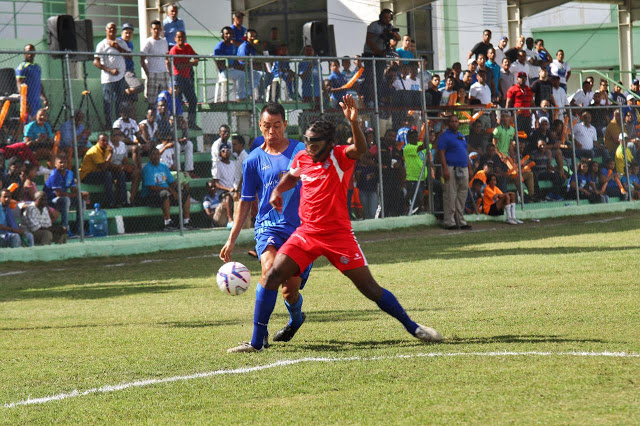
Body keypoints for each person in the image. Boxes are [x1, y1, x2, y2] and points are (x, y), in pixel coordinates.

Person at [225, 95, 442, 353]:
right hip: (305, 234)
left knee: (370, 289)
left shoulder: (340, 157)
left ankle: (413, 327)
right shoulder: (303, 159)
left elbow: (359, 149)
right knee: (271, 276)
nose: (308, 146)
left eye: (313, 142)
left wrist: (354, 123)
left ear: (328, 144)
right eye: (305, 141)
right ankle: (257, 342)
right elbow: (291, 178)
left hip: (338, 236)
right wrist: (276, 192)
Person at [220, 102, 312, 350]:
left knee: (289, 291)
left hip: (300, 231)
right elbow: (246, 203)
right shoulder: (252, 160)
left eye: (277, 125)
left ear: (285, 125)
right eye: (267, 126)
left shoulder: (301, 151)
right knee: (269, 271)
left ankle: (296, 318)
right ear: (260, 126)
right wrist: (232, 238)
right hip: (267, 227)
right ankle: (258, 339)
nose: (272, 131)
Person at [140, 147, 192, 230]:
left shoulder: (163, 166)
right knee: (165, 193)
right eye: (154, 154)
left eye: (158, 154)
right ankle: (167, 223)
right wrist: (170, 190)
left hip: (166, 192)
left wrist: (177, 188)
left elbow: (171, 182)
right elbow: (151, 187)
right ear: (149, 157)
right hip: (150, 196)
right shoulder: (147, 168)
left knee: (185, 194)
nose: (156, 156)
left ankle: (186, 222)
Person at [438, 115, 471, 230]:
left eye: (456, 121)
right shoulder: (444, 136)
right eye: (452, 121)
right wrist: (445, 168)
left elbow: (465, 151)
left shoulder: (461, 136)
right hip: (451, 168)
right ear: (448, 123)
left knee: (462, 195)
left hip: (463, 167)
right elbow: (441, 152)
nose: (454, 123)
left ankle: (460, 220)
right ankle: (449, 221)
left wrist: (469, 166)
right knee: (450, 195)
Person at [94, 22, 130, 127]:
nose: (111, 31)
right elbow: (96, 62)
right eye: (109, 29)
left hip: (120, 77)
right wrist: (109, 70)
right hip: (108, 79)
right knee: (108, 103)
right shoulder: (101, 44)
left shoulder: (121, 42)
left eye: (114, 29)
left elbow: (129, 56)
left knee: (120, 103)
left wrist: (117, 47)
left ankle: (119, 125)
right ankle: (109, 126)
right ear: (106, 30)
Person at [362, 9, 400, 103]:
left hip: (381, 55)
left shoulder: (390, 26)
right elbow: (369, 41)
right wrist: (377, 51)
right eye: (385, 17)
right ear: (381, 17)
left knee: (379, 78)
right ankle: (367, 99)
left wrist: (392, 33)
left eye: (389, 18)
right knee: (370, 78)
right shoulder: (374, 26)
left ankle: (377, 100)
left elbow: (398, 37)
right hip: (370, 54)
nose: (387, 20)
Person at [80, 133, 127, 208]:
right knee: (107, 174)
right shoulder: (94, 151)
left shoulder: (106, 150)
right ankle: (110, 203)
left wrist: (118, 168)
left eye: (106, 141)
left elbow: (108, 165)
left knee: (120, 173)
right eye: (103, 140)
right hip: (87, 176)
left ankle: (123, 201)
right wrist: (110, 154)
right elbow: (104, 167)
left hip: (99, 173)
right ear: (98, 141)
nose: (105, 142)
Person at [44, 154, 89, 233]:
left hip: (63, 198)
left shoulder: (70, 173)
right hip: (51, 200)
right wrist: (77, 195)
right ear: (55, 164)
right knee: (66, 199)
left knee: (81, 200)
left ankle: (80, 228)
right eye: (60, 162)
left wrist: (81, 195)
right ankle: (65, 228)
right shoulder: (54, 174)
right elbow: (59, 194)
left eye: (65, 162)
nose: (62, 164)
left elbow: (73, 190)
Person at [169, 30, 200, 130]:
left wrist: (196, 59)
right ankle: (177, 123)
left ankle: (191, 122)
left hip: (186, 78)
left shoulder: (187, 46)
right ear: (175, 39)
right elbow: (178, 66)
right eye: (178, 37)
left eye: (182, 37)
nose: (180, 39)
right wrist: (191, 63)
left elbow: (195, 55)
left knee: (193, 100)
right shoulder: (174, 50)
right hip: (177, 78)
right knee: (177, 100)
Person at [15, 44, 48, 121]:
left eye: (32, 51)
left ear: (35, 53)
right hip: (28, 101)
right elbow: (20, 85)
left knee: (38, 122)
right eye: (28, 51)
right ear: (24, 53)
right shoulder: (22, 67)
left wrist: (44, 98)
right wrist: (25, 102)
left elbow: (39, 83)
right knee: (28, 123)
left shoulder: (37, 67)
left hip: (37, 101)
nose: (30, 53)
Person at [141, 20, 170, 107]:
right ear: (151, 30)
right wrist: (147, 73)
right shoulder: (148, 42)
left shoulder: (164, 42)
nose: (156, 31)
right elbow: (142, 59)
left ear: (161, 29)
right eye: (154, 29)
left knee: (164, 100)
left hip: (163, 73)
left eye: (158, 29)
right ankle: (151, 119)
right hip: (152, 73)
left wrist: (168, 72)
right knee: (152, 102)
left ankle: (163, 120)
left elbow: (166, 58)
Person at [213, 26, 247, 100]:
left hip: (233, 69)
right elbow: (219, 62)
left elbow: (236, 59)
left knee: (247, 73)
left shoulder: (233, 46)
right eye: (227, 33)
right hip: (224, 72)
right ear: (222, 35)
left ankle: (249, 96)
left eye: (231, 34)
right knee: (242, 75)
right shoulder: (219, 46)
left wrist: (241, 67)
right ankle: (240, 97)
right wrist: (230, 66)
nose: (229, 35)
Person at [109, 129, 140, 204]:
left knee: (137, 172)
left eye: (119, 135)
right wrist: (121, 167)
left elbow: (125, 160)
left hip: (121, 168)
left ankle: (131, 199)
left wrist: (127, 166)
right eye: (115, 135)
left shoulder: (122, 145)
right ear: (111, 136)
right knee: (121, 174)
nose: (117, 137)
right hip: (111, 169)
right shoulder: (108, 145)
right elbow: (107, 164)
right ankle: (122, 201)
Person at [212, 143, 238, 229]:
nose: (226, 152)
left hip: (234, 189)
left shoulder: (234, 163)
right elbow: (216, 184)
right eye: (223, 151)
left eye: (228, 150)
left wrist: (235, 188)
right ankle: (230, 220)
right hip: (223, 192)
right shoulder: (217, 165)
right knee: (227, 197)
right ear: (220, 153)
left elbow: (236, 178)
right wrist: (228, 189)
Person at [403, 129, 428, 212]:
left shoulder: (420, 143)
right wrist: (427, 131)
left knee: (425, 196)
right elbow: (423, 147)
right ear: (408, 138)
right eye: (412, 136)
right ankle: (415, 215)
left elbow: (431, 145)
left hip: (424, 177)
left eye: (415, 136)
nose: (414, 137)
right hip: (413, 178)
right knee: (417, 199)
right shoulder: (407, 148)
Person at [236, 29, 263, 98]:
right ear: (245, 37)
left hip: (251, 68)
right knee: (258, 75)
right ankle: (247, 95)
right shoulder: (244, 47)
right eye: (251, 36)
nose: (253, 38)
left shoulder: (252, 46)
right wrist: (256, 66)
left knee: (266, 75)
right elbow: (244, 61)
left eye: (254, 36)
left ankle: (258, 96)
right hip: (244, 69)